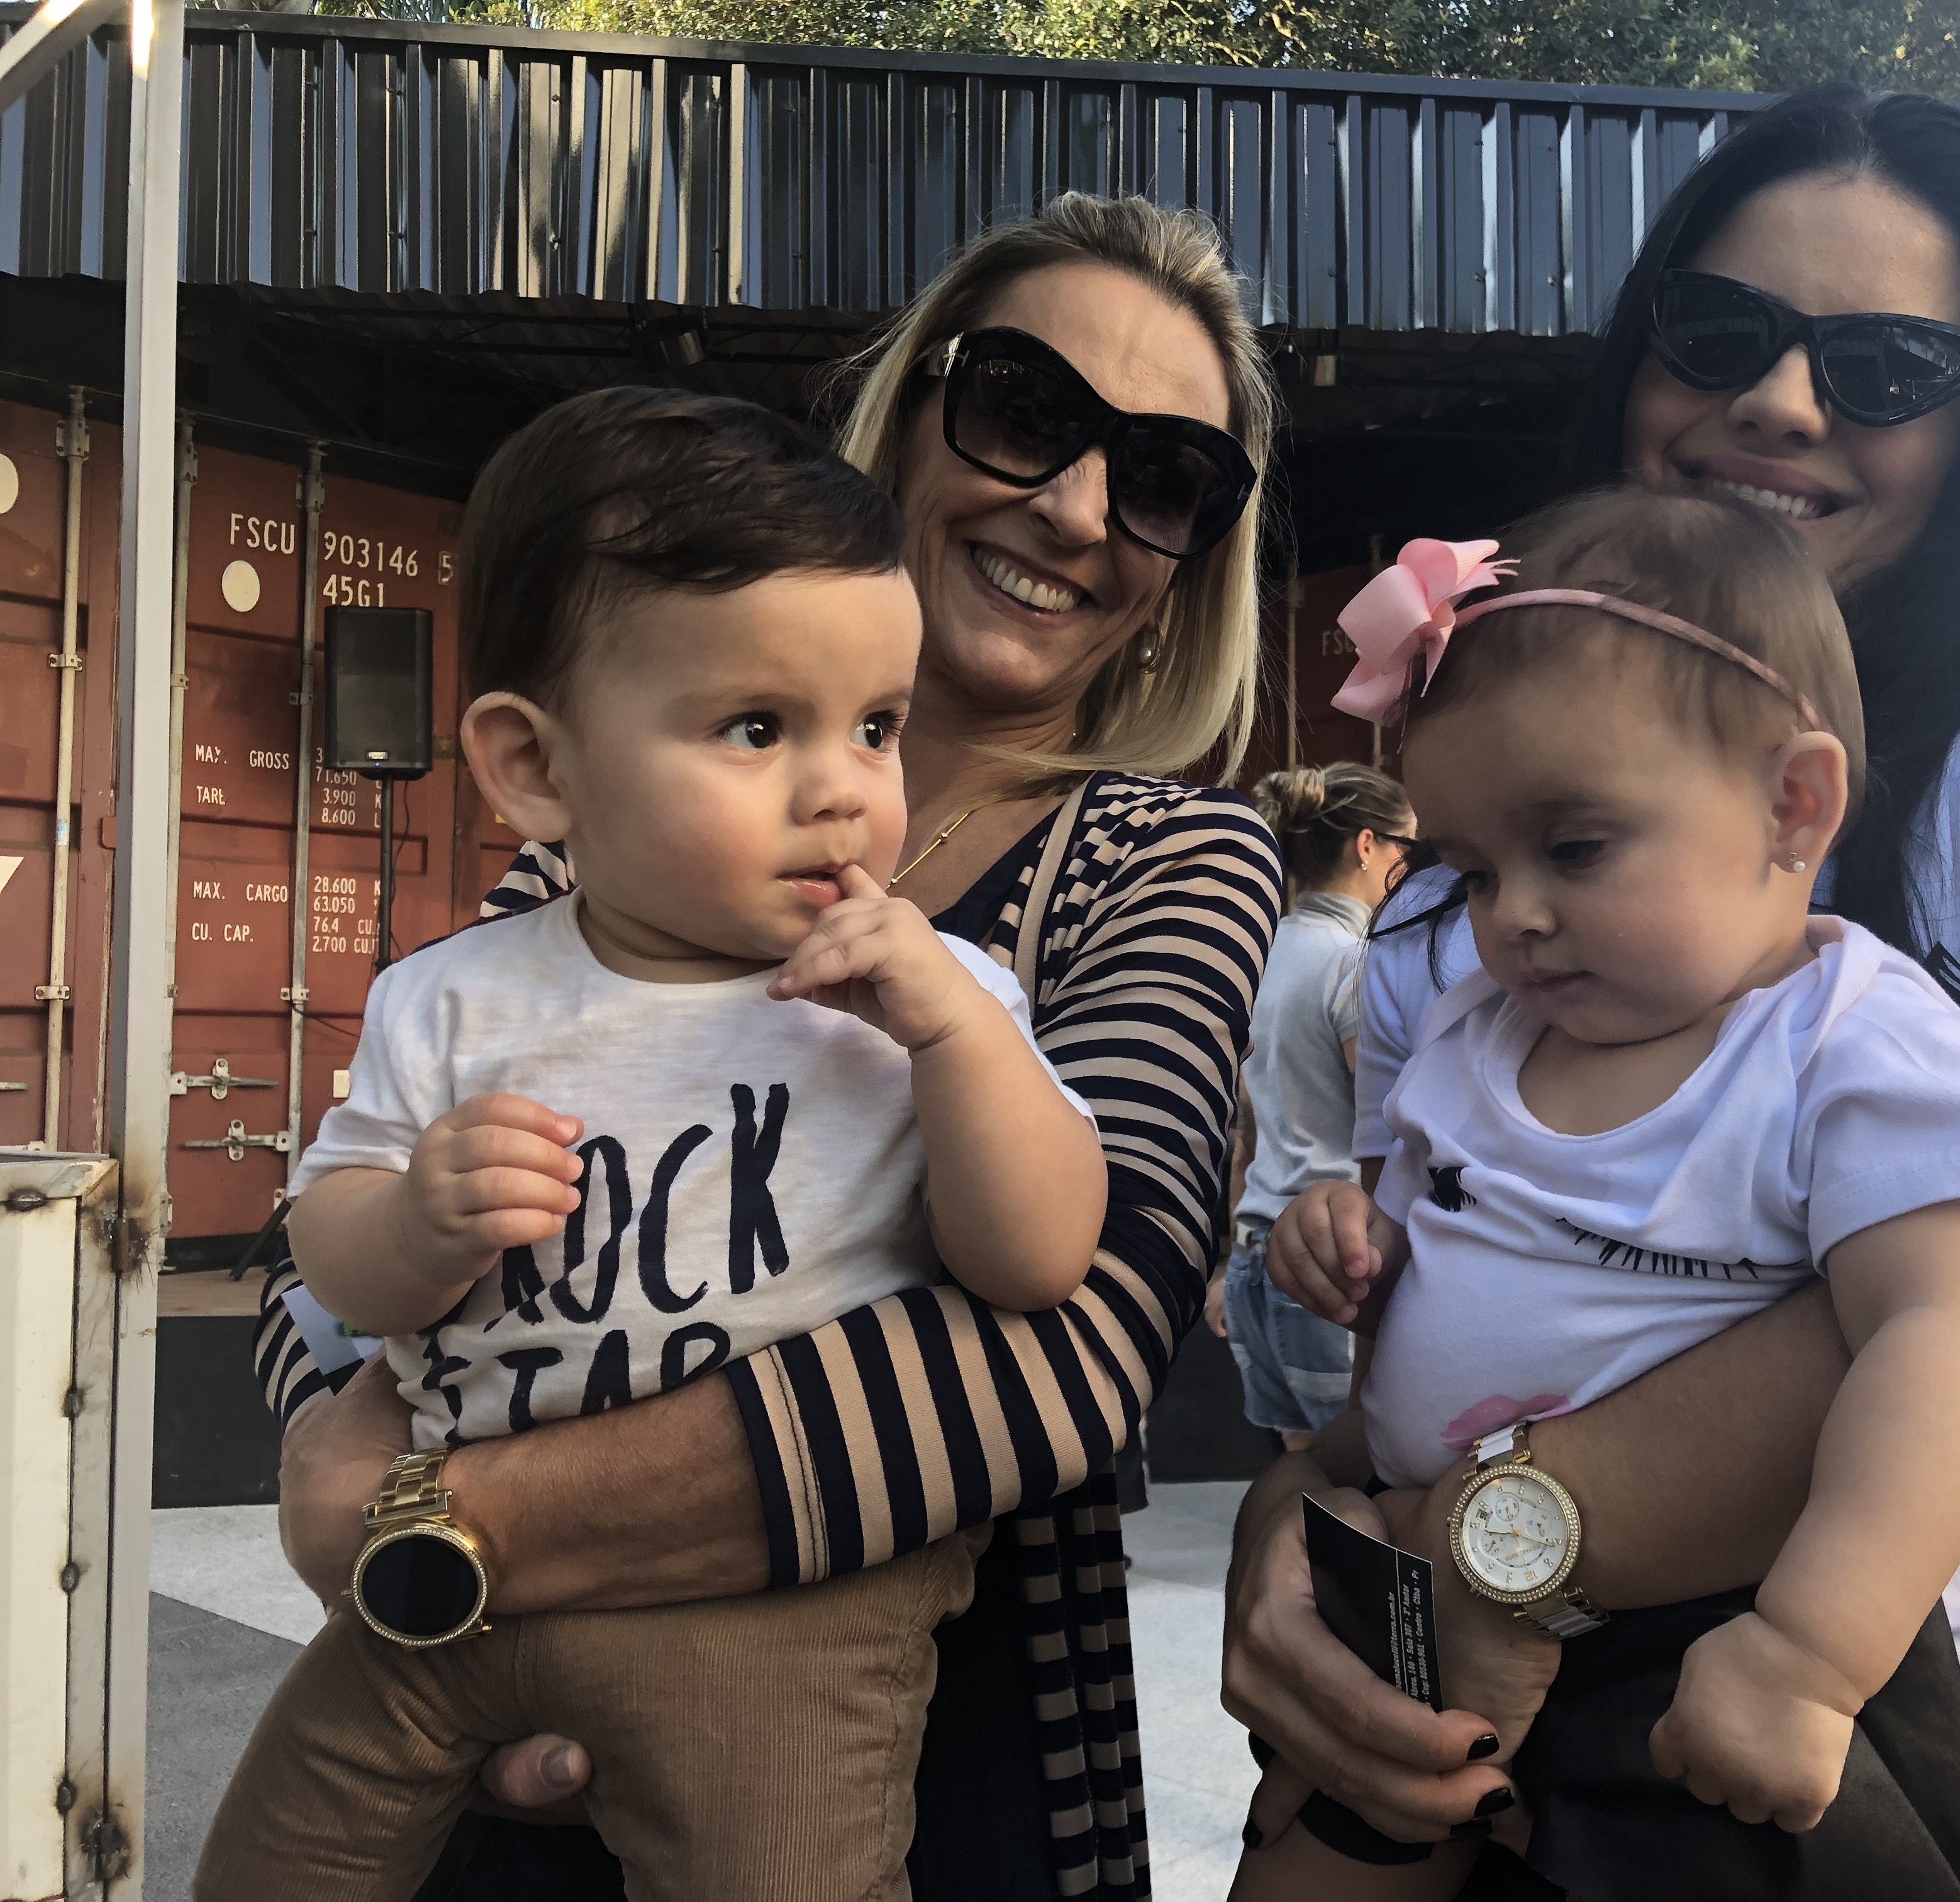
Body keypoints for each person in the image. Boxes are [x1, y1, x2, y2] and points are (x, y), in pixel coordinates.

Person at [1223, 84, 1960, 1902]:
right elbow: (1422, 1331)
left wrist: (1501, 1540)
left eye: (1889, 364)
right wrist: (1299, 1535)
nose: (1785, 400)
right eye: (1719, 331)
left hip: (1906, 1719)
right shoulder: (1498, 919)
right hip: (1464, 1720)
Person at [252, 191, 1284, 1901]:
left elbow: (1072, 1345)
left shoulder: (1159, 857)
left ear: (1195, 565)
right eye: (1027, 408)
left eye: (1166, 478)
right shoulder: (606, 836)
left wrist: (430, 1528)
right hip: (487, 1725)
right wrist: (336, 1445)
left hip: (934, 1736)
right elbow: (349, 1231)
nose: (1078, 505)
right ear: (909, 411)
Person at [1246, 492, 1960, 1901]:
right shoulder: (1477, 1031)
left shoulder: (1852, 1049)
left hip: (1709, 1625)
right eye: (1473, 870)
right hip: (1420, 1570)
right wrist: (1349, 1239)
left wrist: (1812, 1653)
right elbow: (1429, 1237)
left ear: (1792, 805)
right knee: (1316, 1850)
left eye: (1576, 848)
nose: (1514, 914)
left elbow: (1950, 1339)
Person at [1218, 764, 1418, 1450]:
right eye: (1410, 849)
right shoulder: (1356, 962)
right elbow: (1391, 1132)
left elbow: (1248, 1127)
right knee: (1358, 1482)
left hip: (1256, 1258)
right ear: (1368, 845)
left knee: (1302, 1479)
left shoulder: (1260, 954)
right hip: (1331, 1263)